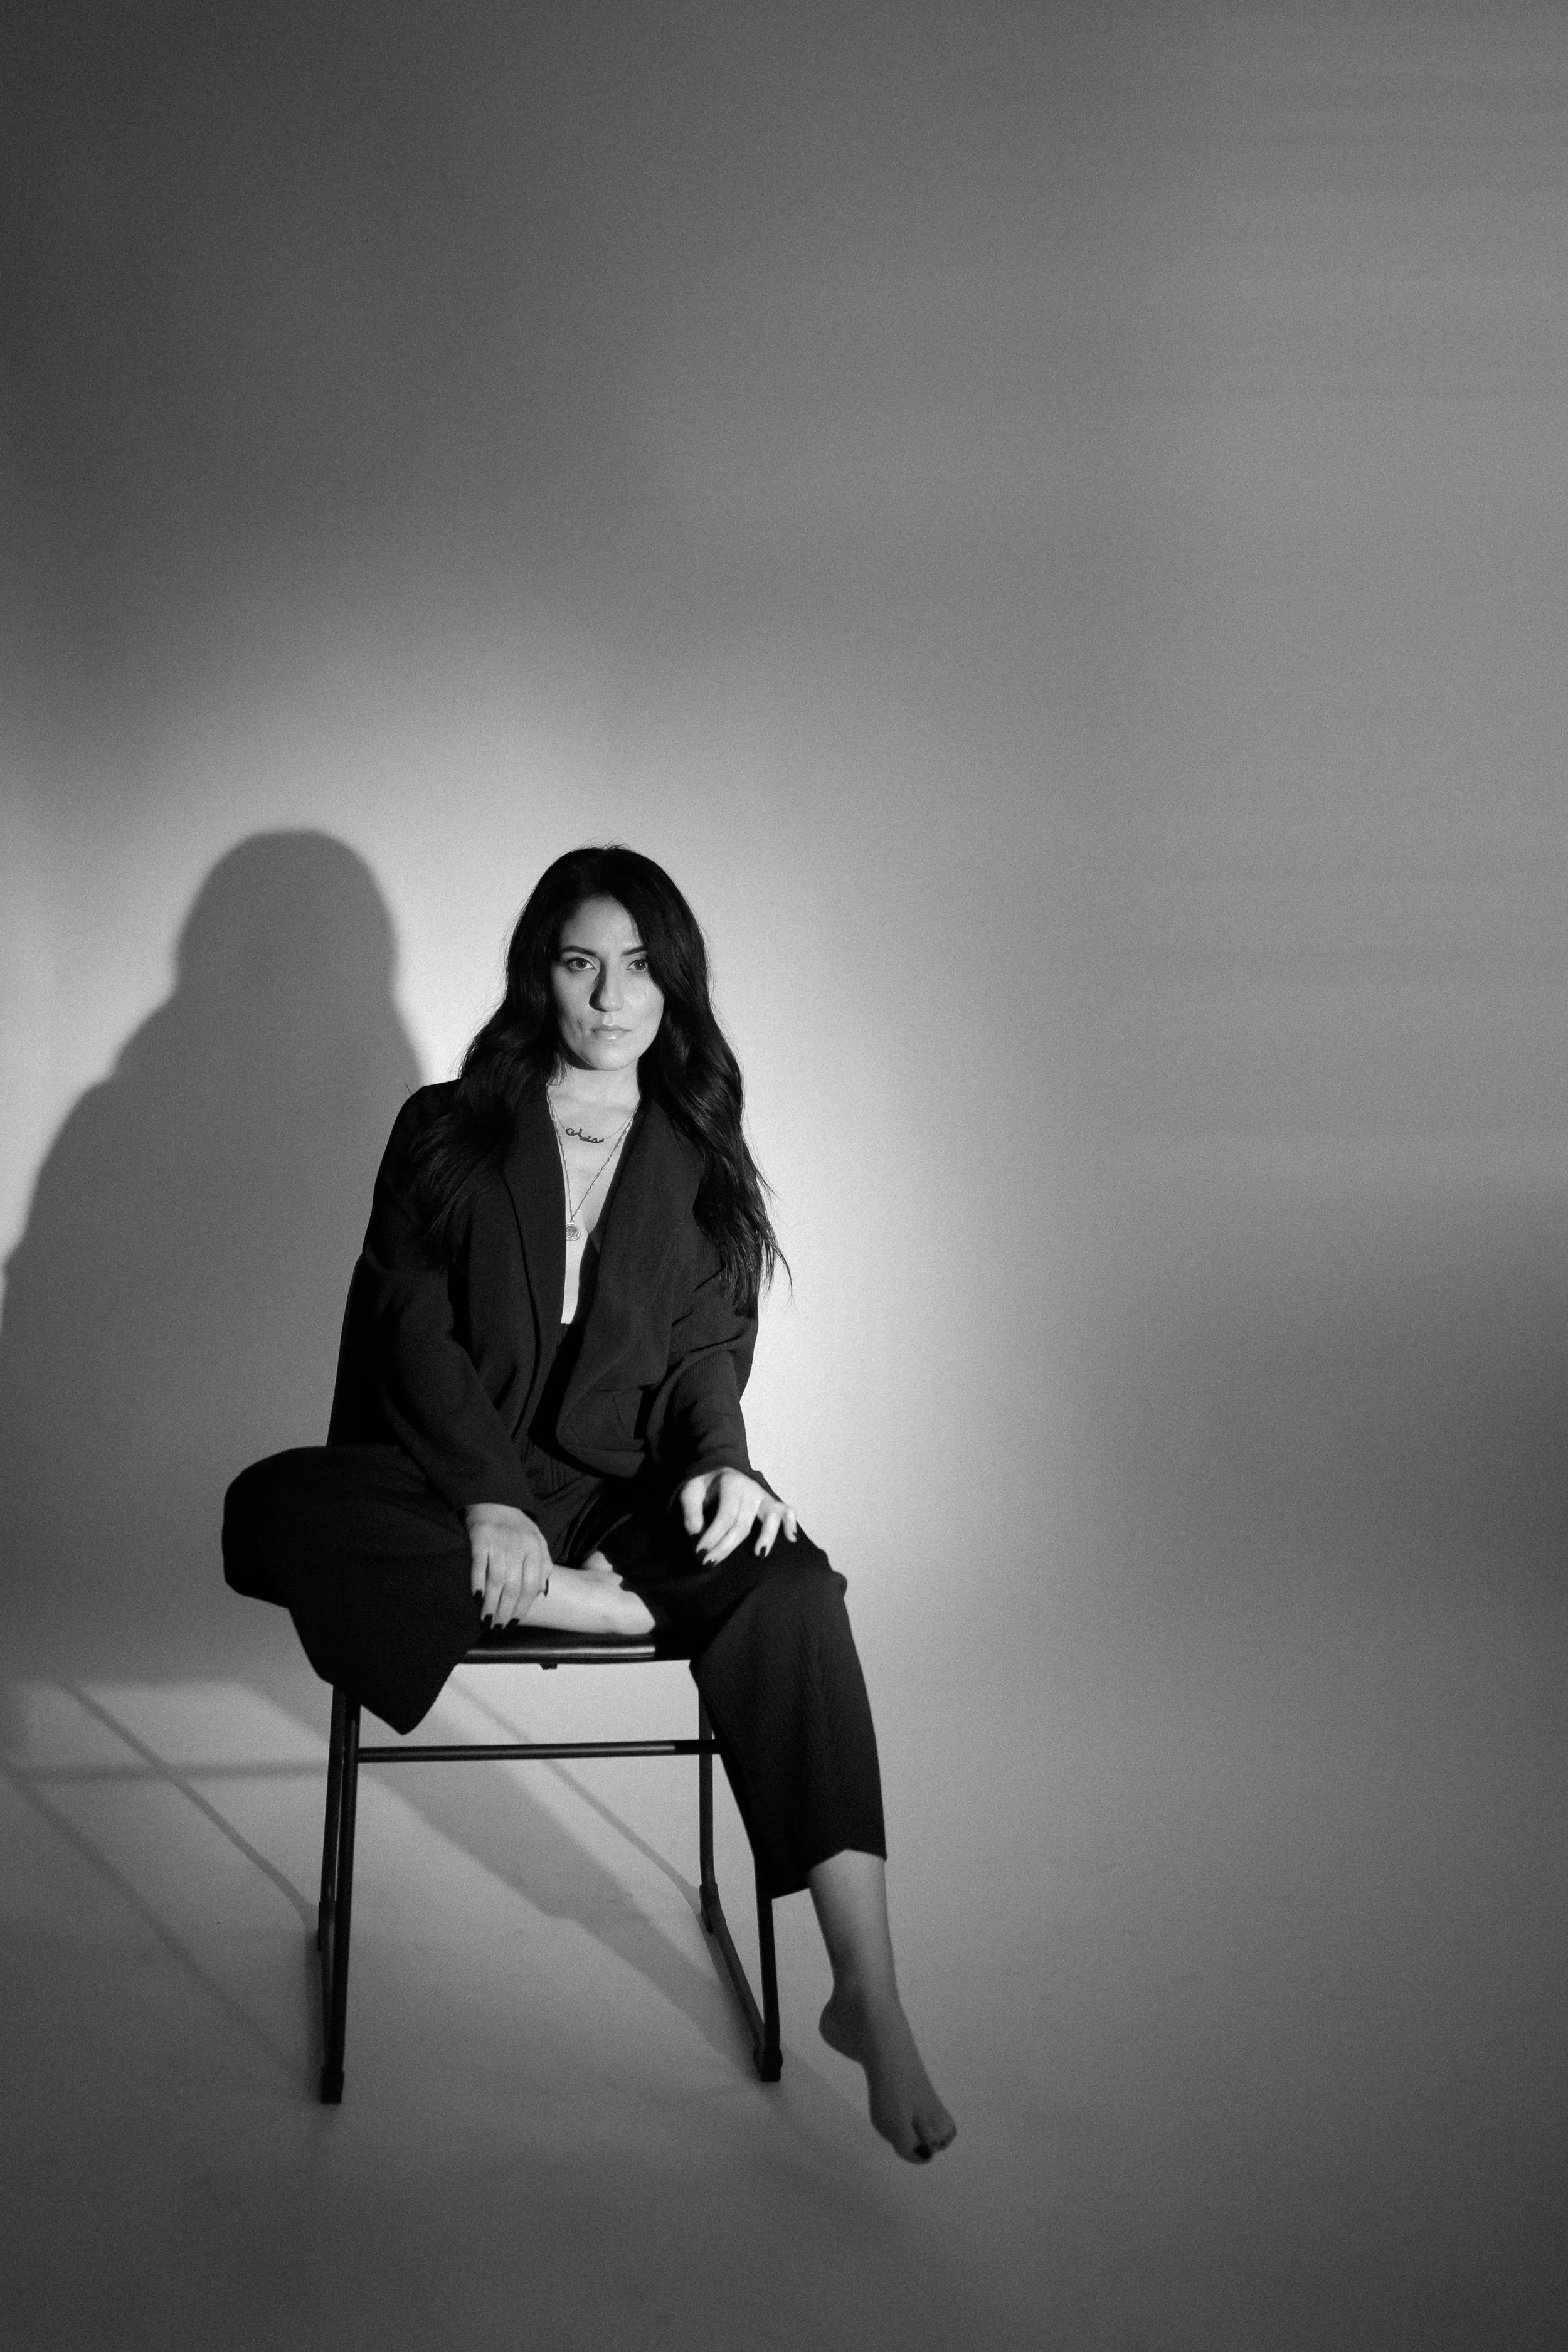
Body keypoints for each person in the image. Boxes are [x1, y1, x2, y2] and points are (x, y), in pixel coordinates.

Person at [223, 844, 955, 2164]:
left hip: (626, 1493)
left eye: (635, 967)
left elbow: (701, 1363)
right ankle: (604, 1614)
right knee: (273, 1507)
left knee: (789, 1583)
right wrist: (493, 1504)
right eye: (579, 963)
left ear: (673, 987)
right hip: (453, 1482)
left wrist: (725, 1464)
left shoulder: (701, 1157)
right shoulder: (444, 1129)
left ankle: (871, 1991)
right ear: (538, 979)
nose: (609, 996)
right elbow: (411, 1330)